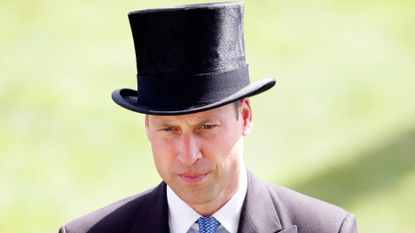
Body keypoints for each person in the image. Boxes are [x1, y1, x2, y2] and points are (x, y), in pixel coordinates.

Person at [59, 2, 357, 233]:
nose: (188, 155)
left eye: (207, 126)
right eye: (169, 129)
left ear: (246, 117)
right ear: (147, 126)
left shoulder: (328, 228)